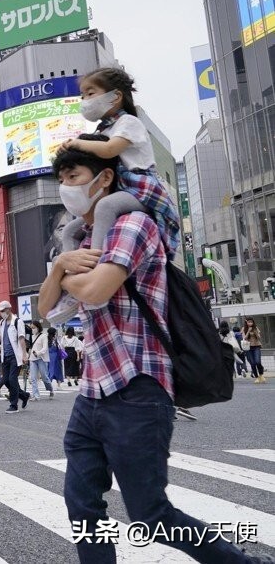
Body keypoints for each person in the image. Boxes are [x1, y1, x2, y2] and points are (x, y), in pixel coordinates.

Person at [36, 145, 275, 563]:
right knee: (82, 506)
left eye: (73, 176)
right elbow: (46, 311)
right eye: (62, 179)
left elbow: (94, 291)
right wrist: (59, 268)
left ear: (103, 178)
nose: (65, 187)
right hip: (93, 391)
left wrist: (67, 275)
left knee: (150, 515)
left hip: (138, 387)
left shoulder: (133, 224)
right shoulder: (78, 242)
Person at [50, 68, 181, 323]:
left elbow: (110, 149)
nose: (84, 101)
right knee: (69, 230)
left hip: (142, 189)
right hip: (126, 188)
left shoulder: (129, 123)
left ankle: (94, 271)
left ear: (115, 96)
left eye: (90, 93)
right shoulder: (106, 127)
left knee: (105, 207)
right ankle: (72, 281)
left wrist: (77, 143)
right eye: (82, 95)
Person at [0, 301, 30, 413]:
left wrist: (24, 355)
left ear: (9, 309)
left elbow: (21, 338)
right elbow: (0, 339)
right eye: (0, 311)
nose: (1, 313)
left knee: (12, 379)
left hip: (16, 355)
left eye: (2, 311)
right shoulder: (2, 323)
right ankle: (24, 396)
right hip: (6, 356)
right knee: (7, 380)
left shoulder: (18, 321)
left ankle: (13, 405)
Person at [27, 320, 54, 400]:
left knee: (44, 377)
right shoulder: (31, 337)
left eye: (34, 327)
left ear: (38, 327)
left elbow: (45, 348)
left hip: (41, 358)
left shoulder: (43, 336)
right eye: (31, 328)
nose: (32, 329)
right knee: (33, 378)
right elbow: (30, 348)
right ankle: (36, 396)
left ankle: (51, 389)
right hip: (32, 359)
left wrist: (38, 353)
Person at [245, 317, 266, 383]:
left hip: (256, 346)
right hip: (248, 348)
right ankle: (256, 377)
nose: (250, 323)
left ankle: (261, 375)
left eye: (251, 322)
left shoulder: (256, 328)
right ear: (246, 322)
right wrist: (248, 331)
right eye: (249, 322)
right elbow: (244, 338)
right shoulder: (244, 329)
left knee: (258, 362)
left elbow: (259, 338)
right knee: (253, 363)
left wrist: (255, 332)